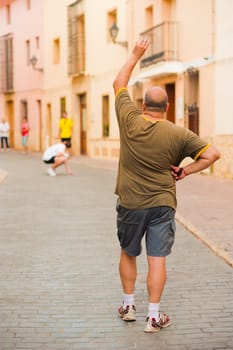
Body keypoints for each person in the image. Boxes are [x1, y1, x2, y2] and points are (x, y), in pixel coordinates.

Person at [113, 39, 220, 333]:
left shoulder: (129, 119)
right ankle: (153, 317)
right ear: (167, 107)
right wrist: (186, 171)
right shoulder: (178, 132)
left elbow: (119, 82)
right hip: (162, 203)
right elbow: (213, 155)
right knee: (157, 258)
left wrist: (135, 54)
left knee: (128, 252)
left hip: (131, 202)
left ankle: (129, 307)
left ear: (143, 105)